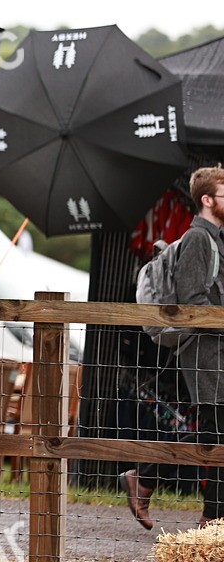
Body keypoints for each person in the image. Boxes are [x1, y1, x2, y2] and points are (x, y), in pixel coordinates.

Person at [121, 166, 224, 530]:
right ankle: (212, 520)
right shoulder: (199, 239)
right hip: (205, 349)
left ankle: (144, 480)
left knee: (211, 433)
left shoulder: (216, 238)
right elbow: (193, 302)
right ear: (208, 200)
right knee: (215, 435)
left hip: (215, 348)